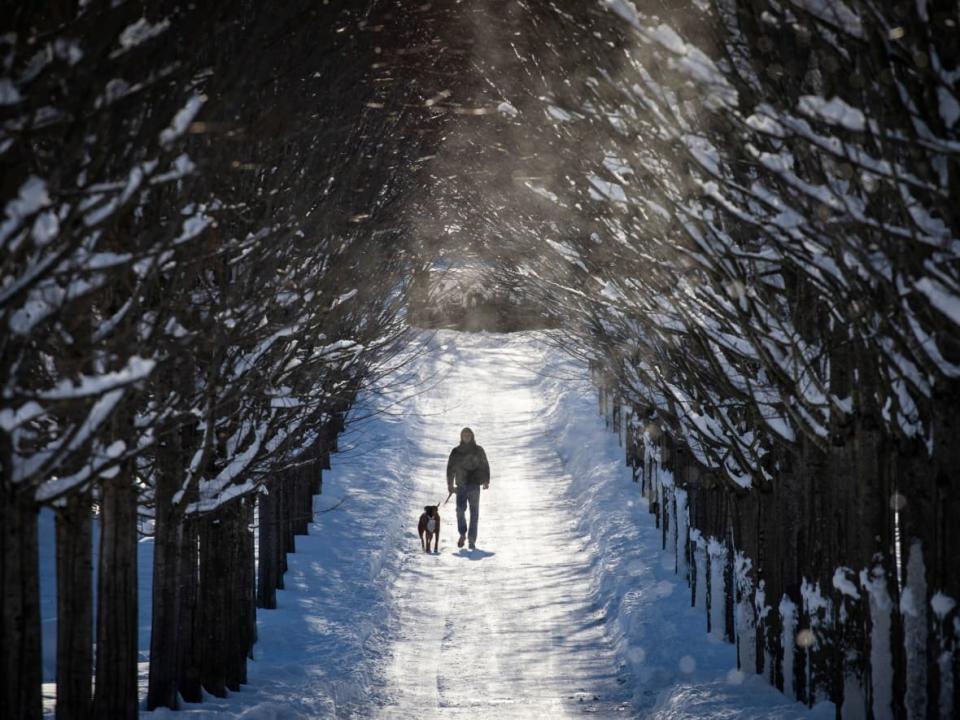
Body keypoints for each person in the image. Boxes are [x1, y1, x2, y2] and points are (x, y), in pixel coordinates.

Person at [446, 427, 490, 550]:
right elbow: (450, 469)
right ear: (461, 437)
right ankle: (462, 533)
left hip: (475, 485)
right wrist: (450, 485)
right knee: (460, 511)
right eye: (464, 435)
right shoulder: (456, 451)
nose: (466, 437)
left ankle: (471, 540)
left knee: (474, 513)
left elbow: (485, 465)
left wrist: (486, 481)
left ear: (472, 436)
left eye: (468, 435)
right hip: (461, 485)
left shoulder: (478, 450)